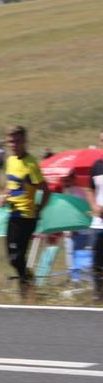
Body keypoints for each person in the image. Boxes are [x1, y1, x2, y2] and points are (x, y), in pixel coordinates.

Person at [0, 126, 49, 295]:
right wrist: (2, 196)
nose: (14, 144)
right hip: (13, 214)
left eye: (17, 141)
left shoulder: (31, 164)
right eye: (11, 141)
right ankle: (29, 286)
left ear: (24, 141)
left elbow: (45, 189)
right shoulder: (11, 161)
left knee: (17, 257)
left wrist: (40, 208)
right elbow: (11, 185)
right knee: (12, 257)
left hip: (27, 217)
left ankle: (27, 289)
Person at [85, 129, 103, 301]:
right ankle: (98, 292)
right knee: (97, 260)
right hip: (98, 223)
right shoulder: (96, 166)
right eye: (102, 141)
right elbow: (89, 188)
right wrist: (94, 205)